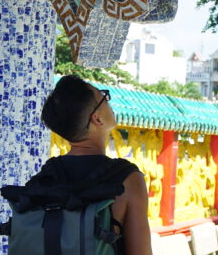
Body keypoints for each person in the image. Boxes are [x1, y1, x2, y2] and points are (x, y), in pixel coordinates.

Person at [37, 75, 153, 255]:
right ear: (97, 119)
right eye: (104, 97)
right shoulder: (128, 179)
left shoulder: (47, 173)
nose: (109, 102)